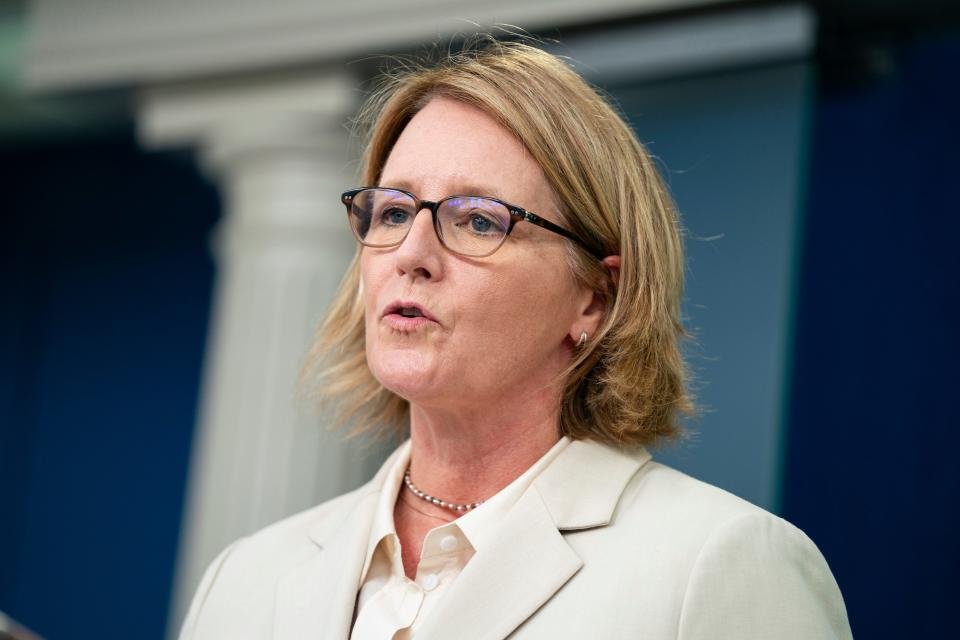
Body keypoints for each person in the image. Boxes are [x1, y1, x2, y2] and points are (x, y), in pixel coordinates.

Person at [178, 39, 852, 639]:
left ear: (594, 296)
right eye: (392, 210)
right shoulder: (246, 578)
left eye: (476, 221)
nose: (412, 253)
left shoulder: (723, 562)